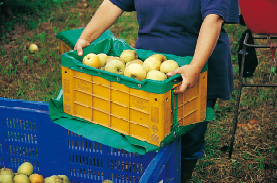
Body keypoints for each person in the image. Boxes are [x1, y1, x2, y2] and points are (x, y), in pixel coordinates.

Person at [74, 0, 239, 182]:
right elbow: (114, 3)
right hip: (147, 68)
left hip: (194, 66)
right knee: (145, 129)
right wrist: (86, 38)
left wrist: (195, 65)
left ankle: (179, 176)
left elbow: (213, 19)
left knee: (189, 135)